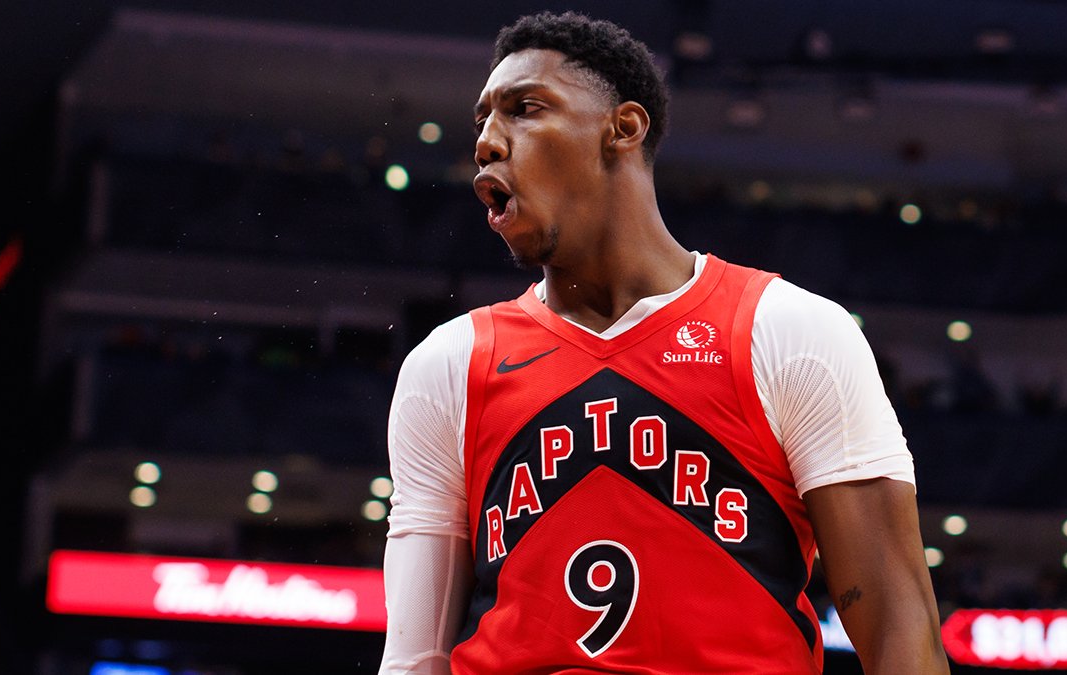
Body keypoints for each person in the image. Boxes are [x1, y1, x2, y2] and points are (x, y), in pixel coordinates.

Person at [381, 11, 948, 674]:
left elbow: (900, 627)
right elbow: (414, 658)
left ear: (623, 128)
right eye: (482, 120)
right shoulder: (448, 365)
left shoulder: (790, 332)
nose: (486, 141)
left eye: (524, 108)